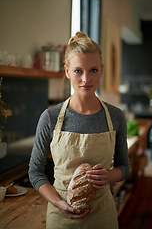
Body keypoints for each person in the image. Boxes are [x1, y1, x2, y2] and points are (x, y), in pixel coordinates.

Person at [29, 31, 130, 229]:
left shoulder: (115, 117)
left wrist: (109, 176)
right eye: (78, 71)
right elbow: (35, 172)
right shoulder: (50, 118)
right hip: (61, 217)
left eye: (93, 70)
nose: (86, 79)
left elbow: (124, 167)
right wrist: (59, 203)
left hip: (103, 216)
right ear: (67, 71)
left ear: (101, 70)